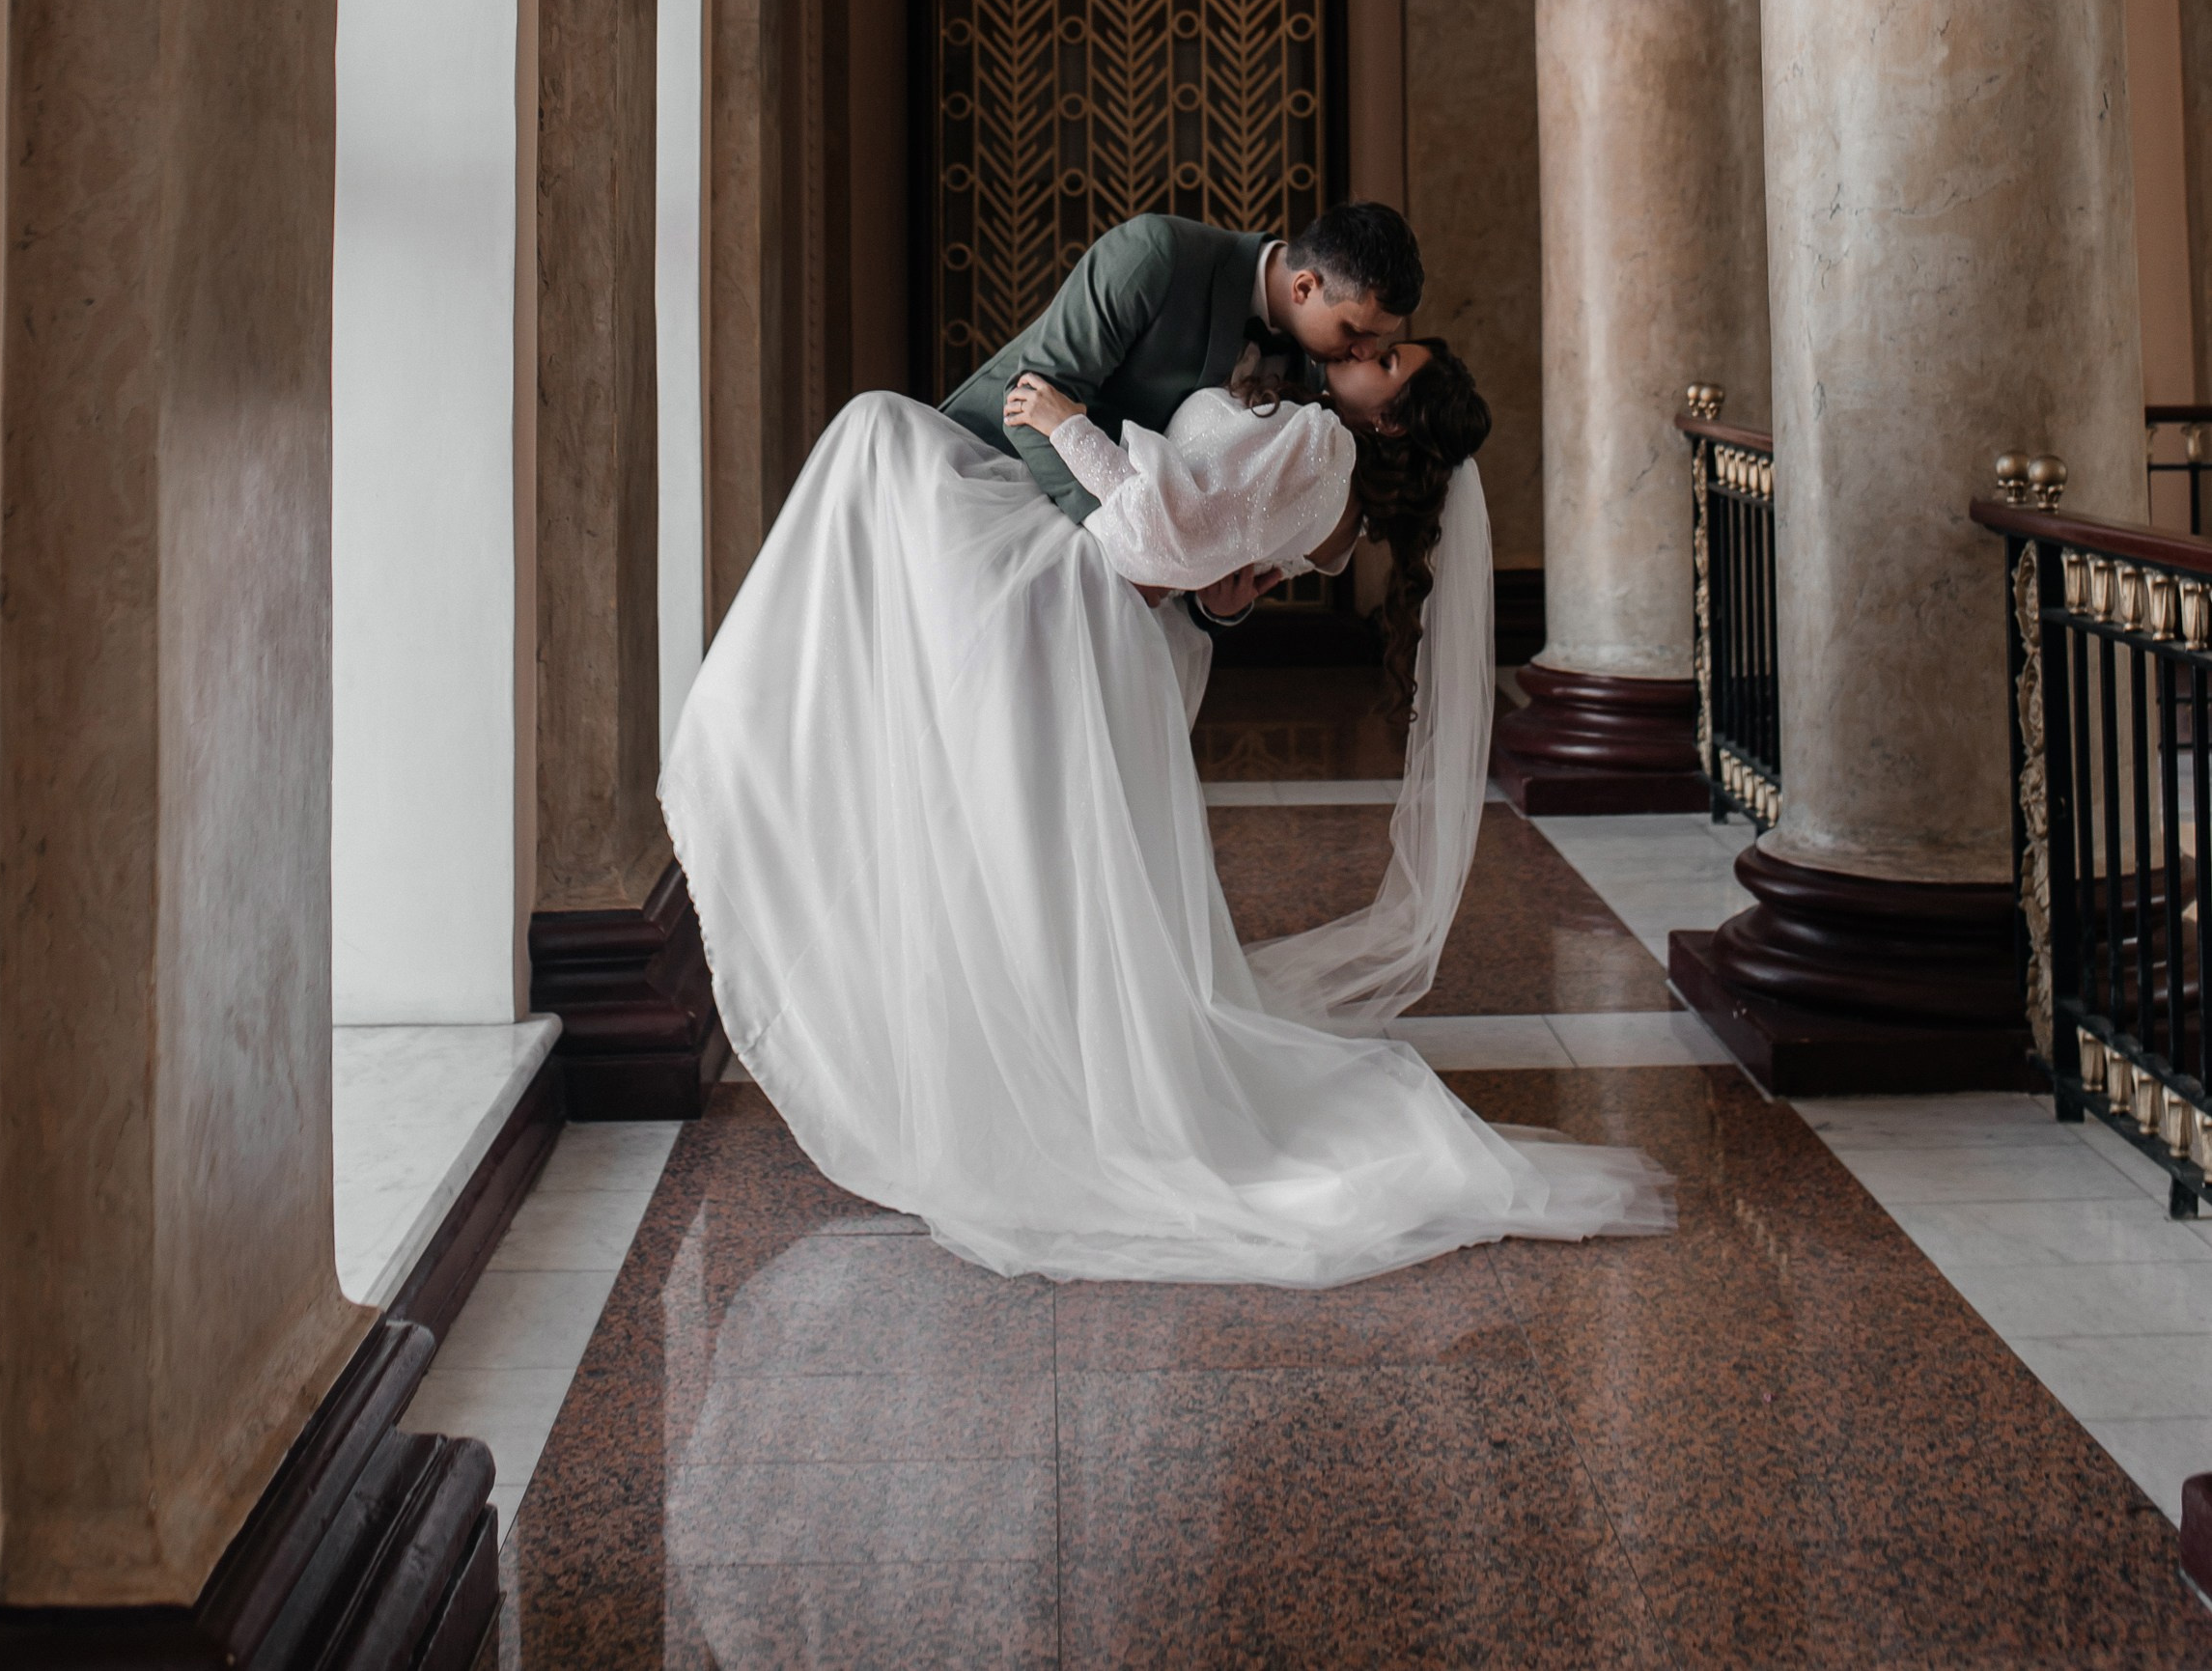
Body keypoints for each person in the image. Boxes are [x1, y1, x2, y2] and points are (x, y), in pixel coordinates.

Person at [659, 283, 1671, 1285]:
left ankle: (768, 790)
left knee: (877, 434)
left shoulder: (1319, 444)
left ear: (1392, 418)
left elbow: (1163, 542)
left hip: (1077, 602)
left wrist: (1063, 424)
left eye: (1387, 358)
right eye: (1374, 338)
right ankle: (1012, 1044)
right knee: (1024, 844)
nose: (1366, 348)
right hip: (1112, 631)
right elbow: (1205, 566)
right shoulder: (1335, 504)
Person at [938, 200, 1421, 626]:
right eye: (1355, 330)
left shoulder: (1316, 390)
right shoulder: (1158, 253)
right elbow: (1030, 395)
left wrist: (1220, 605)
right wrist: (1133, 556)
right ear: (1304, 287)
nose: (1365, 351)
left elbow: (1216, 527)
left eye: (1377, 340)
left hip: (1120, 582)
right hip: (986, 485)